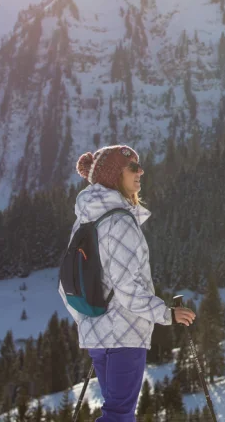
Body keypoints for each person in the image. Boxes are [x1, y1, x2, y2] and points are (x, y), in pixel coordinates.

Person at [58, 144, 195, 421]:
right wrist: (166, 314)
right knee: (119, 416)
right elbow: (129, 290)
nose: (141, 172)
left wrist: (87, 320)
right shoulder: (119, 222)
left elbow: (66, 285)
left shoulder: (85, 219)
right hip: (125, 333)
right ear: (113, 175)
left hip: (97, 336)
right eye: (133, 167)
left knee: (116, 413)